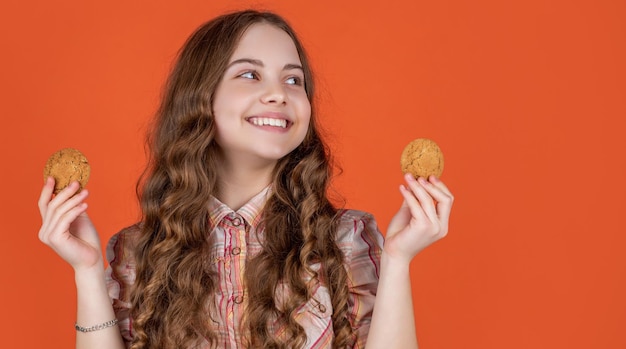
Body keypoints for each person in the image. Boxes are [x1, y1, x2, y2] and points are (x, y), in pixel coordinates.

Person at [38, 9, 453, 349]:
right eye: (250, 74)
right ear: (201, 97)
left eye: (294, 80)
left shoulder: (349, 239)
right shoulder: (135, 251)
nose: (279, 93)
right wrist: (88, 274)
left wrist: (399, 262)